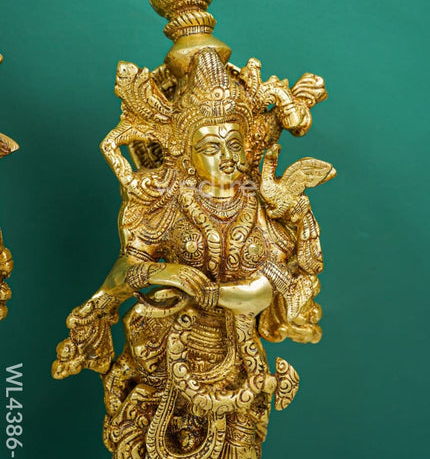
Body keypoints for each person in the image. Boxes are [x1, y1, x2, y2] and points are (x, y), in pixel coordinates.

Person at [53, 47, 334, 459]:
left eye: (235, 144)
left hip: (239, 361)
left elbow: (269, 286)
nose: (228, 158)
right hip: (161, 356)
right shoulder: (165, 203)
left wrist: (212, 294)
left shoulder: (258, 206)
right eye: (211, 147)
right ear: (185, 153)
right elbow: (124, 270)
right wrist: (164, 273)